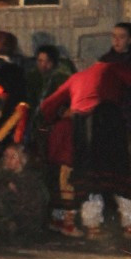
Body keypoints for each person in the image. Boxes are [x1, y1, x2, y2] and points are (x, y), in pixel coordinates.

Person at [40, 60, 131, 238]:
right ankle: (128, 225)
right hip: (108, 121)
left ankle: (93, 227)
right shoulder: (111, 67)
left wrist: (58, 115)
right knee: (120, 174)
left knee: (89, 179)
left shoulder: (76, 78)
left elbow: (47, 105)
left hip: (83, 127)